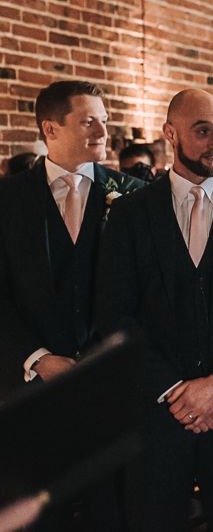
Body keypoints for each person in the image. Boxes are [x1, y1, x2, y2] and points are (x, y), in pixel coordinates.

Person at [97, 89, 213, 531]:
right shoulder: (130, 213)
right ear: (170, 133)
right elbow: (116, 314)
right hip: (159, 407)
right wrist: (176, 389)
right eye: (202, 131)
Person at [0, 80, 144, 527]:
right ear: (50, 128)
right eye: (89, 121)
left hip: (114, 391)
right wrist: (38, 359)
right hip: (32, 390)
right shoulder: (7, 199)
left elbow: (148, 292)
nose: (104, 130)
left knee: (114, 513)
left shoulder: (135, 195)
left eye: (105, 120)